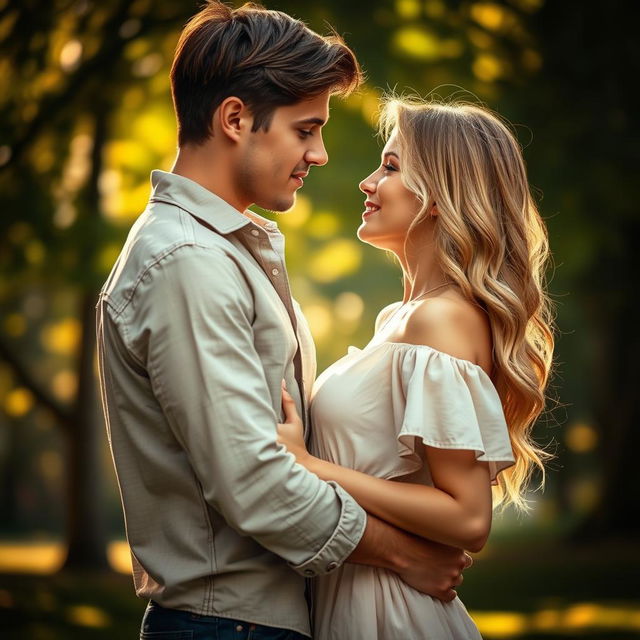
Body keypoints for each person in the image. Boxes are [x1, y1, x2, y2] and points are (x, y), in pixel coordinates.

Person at [96, 4, 472, 640]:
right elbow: (256, 481)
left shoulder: (223, 250)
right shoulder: (189, 263)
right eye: (305, 130)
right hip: (227, 626)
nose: (320, 155)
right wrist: (405, 554)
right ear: (236, 119)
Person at [277, 96, 555, 639]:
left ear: (437, 197)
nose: (367, 182)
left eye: (390, 166)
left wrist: (311, 466)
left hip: (392, 616)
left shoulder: (442, 322)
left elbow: (467, 518)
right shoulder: (400, 319)